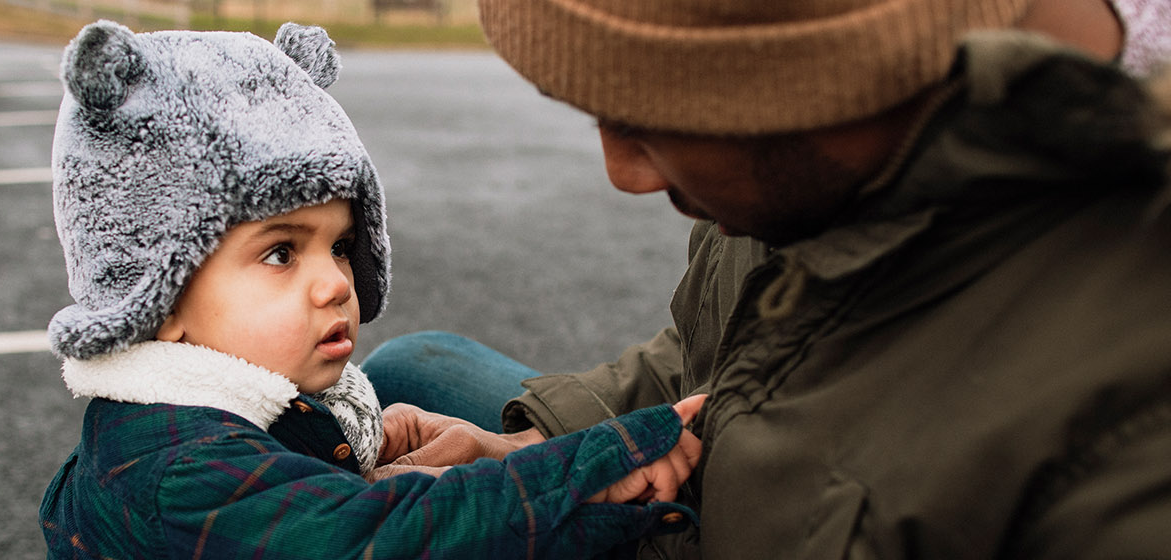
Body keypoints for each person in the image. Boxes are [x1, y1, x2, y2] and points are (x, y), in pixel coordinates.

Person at [366, 0, 1171, 557]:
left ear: (842, 75)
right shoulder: (828, 157)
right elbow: (724, 349)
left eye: (649, 117)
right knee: (413, 370)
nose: (623, 173)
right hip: (712, 497)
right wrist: (542, 457)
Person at [36, 20, 710, 559]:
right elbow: (387, 540)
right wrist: (591, 470)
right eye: (280, 253)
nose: (336, 281)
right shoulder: (182, 469)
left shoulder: (232, 405)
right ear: (158, 300)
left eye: (339, 245)